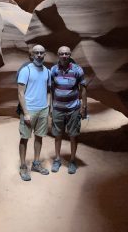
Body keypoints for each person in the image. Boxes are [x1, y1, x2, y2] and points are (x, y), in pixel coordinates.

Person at [50, 46, 87, 174]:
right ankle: (57, 159)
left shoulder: (77, 70)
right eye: (62, 54)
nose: (64, 56)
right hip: (58, 108)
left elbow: (83, 88)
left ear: (70, 55)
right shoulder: (53, 70)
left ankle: (72, 161)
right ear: (58, 55)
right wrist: (51, 106)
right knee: (57, 135)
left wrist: (84, 107)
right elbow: (52, 89)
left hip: (73, 109)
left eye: (66, 54)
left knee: (73, 135)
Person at [17, 44, 51, 181]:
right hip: (29, 109)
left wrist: (47, 106)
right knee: (25, 137)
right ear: (31, 55)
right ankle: (23, 166)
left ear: (44, 55)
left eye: (41, 53)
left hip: (43, 109)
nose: (38, 55)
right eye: (36, 53)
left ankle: (36, 163)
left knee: (39, 136)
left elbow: (49, 90)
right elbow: (20, 92)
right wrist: (25, 112)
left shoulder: (47, 71)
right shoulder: (26, 71)